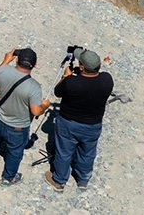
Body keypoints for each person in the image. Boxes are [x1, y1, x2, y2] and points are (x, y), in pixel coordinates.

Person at [45, 49, 114, 192]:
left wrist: (66, 77)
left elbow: (57, 92)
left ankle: (59, 180)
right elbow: (90, 80)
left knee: (64, 152)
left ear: (82, 67)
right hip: (93, 125)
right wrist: (78, 73)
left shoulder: (71, 82)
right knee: (87, 152)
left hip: (69, 123)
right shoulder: (107, 79)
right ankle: (83, 180)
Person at [0, 48, 50, 187]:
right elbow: (36, 111)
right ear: (35, 65)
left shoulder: (4, 70)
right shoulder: (34, 86)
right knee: (15, 152)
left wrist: (6, 60)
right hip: (18, 127)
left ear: (16, 59)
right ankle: (8, 177)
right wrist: (45, 106)